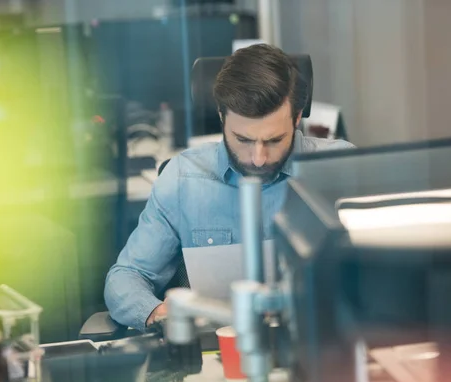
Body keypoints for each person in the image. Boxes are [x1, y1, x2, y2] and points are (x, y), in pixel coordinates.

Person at [104, 44, 355, 330]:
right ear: (222, 116)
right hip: (221, 349)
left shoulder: (340, 169)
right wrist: (159, 314)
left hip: (323, 342)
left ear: (297, 118)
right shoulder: (182, 179)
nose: (258, 159)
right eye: (244, 140)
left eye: (273, 140)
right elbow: (126, 277)